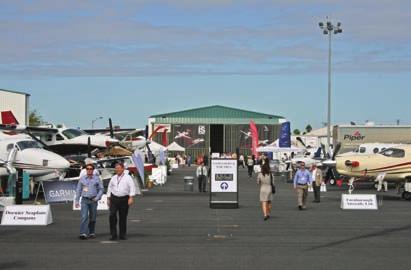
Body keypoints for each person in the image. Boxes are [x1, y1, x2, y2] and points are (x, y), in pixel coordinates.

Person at [107, 163, 137, 241]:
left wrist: (131, 197)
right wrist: (108, 198)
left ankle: (122, 234)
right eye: (116, 168)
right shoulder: (113, 178)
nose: (117, 170)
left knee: (123, 217)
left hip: (124, 199)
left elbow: (132, 187)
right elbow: (109, 188)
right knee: (112, 215)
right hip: (114, 199)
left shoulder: (128, 177)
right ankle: (113, 234)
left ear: (123, 169)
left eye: (119, 168)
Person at [75, 163, 104, 240]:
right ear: (86, 170)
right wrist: (77, 201)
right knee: (84, 216)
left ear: (93, 170)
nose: (89, 170)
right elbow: (78, 190)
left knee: (93, 217)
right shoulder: (82, 178)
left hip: (93, 200)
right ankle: (83, 233)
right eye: (87, 169)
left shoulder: (97, 178)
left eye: (90, 169)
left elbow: (101, 189)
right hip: (84, 200)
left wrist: (97, 197)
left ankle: (91, 232)